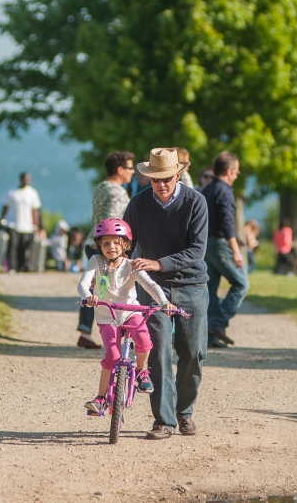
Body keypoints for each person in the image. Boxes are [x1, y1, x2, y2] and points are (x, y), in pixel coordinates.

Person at [122, 147, 209, 440]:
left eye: (167, 178)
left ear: (179, 174)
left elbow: (198, 251)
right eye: (155, 179)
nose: (161, 184)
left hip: (192, 285)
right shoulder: (137, 204)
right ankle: (163, 420)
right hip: (153, 287)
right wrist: (109, 267)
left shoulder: (196, 202)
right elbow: (126, 243)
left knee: (193, 353)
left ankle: (185, 412)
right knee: (157, 351)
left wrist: (161, 262)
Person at [77, 218, 178, 415]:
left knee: (143, 338)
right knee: (112, 356)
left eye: (116, 242)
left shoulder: (132, 265)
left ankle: (141, 371)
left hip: (131, 311)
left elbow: (151, 286)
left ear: (125, 244)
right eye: (105, 243)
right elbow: (83, 283)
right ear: (99, 246)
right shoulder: (95, 261)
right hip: (108, 316)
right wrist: (88, 297)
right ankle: (100, 398)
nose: (111, 247)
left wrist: (163, 302)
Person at [77, 151, 135, 349]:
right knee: (110, 289)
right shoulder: (117, 192)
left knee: (94, 288)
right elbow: (111, 224)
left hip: (91, 242)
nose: (133, 172)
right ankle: (117, 331)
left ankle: (85, 330)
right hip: (105, 248)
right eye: (129, 168)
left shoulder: (101, 187)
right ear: (120, 170)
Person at [201, 151, 249, 349]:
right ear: (228, 171)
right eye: (236, 172)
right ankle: (217, 323)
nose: (237, 176)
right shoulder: (225, 191)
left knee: (211, 290)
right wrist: (236, 251)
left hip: (206, 245)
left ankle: (209, 336)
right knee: (241, 284)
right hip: (220, 244)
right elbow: (228, 223)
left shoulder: (207, 190)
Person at [0, 172, 42, 273]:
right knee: (13, 246)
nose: (26, 181)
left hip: (27, 226)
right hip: (12, 224)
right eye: (24, 178)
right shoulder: (11, 191)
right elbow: (5, 207)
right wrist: (1, 221)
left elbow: (35, 211)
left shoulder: (32, 193)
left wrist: (37, 225)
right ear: (20, 179)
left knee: (24, 247)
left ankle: (22, 267)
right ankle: (12, 267)